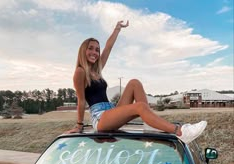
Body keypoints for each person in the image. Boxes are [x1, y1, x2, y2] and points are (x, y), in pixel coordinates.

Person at [66, 21, 207, 144]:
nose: (95, 52)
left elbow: (108, 48)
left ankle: (150, 122)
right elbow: (81, 100)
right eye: (90, 48)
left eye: (97, 49)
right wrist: (79, 125)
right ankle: (181, 132)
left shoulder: (96, 70)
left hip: (111, 111)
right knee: (139, 107)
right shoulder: (80, 72)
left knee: (134, 83)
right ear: (83, 50)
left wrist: (117, 29)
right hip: (100, 117)